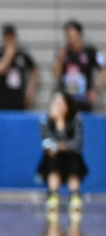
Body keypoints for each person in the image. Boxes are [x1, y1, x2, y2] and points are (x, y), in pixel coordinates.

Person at [38, 89, 87, 218]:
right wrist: (62, 144)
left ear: (67, 106)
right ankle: (53, 195)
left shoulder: (76, 120)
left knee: (73, 161)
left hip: (72, 158)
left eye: (60, 103)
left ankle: (75, 195)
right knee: (52, 160)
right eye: (55, 102)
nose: (57, 106)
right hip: (54, 158)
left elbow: (77, 145)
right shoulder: (45, 121)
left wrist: (60, 144)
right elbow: (47, 145)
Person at [53, 20, 104, 112]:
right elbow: (55, 74)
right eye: (68, 36)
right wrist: (60, 59)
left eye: (72, 35)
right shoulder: (64, 53)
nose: (70, 38)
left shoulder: (90, 52)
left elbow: (104, 69)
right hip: (67, 101)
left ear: (79, 34)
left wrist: (96, 90)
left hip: (85, 100)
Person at [0, 24, 38, 111]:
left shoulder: (22, 54)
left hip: (19, 101)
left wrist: (30, 90)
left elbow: (34, 70)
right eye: (7, 38)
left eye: (11, 37)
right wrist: (9, 54)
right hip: (2, 103)